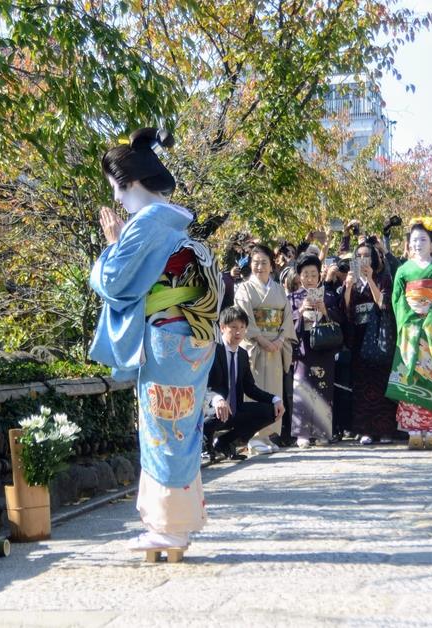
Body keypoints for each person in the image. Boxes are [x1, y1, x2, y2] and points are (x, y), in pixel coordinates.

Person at [90, 127, 221, 552]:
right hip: (192, 337)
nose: (116, 200)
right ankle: (176, 521)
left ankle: (170, 527)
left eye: (117, 189)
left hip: (167, 338)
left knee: (164, 425)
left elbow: (113, 282)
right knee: (181, 425)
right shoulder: (172, 220)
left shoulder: (145, 225)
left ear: (131, 184)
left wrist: (111, 245)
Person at [386, 217, 432, 450]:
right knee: (411, 375)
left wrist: (431, 314)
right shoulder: (404, 269)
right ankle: (414, 430)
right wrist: (410, 315)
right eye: (414, 239)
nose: (417, 243)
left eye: (423, 239)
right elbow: (396, 299)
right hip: (410, 330)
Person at [203, 307, 286, 461]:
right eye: (233, 327)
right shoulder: (212, 350)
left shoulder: (241, 354)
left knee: (271, 411)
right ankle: (205, 445)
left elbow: (250, 388)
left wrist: (275, 399)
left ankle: (225, 443)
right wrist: (217, 399)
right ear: (222, 328)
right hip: (209, 408)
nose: (238, 332)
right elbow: (202, 385)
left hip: (234, 409)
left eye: (242, 327)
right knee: (217, 408)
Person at [233, 245, 293, 454]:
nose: (259, 266)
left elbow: (286, 317)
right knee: (255, 388)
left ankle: (267, 435)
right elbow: (244, 317)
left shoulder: (278, 289)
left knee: (274, 389)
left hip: (275, 345)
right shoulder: (244, 289)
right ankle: (253, 436)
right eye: (256, 262)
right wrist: (260, 339)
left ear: (272, 265)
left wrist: (280, 338)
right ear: (250, 264)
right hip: (256, 346)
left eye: (264, 262)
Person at [344, 241, 398, 444]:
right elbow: (347, 309)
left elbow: (383, 303)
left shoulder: (383, 278)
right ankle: (365, 429)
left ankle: (384, 430)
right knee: (361, 385)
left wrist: (370, 279)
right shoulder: (353, 280)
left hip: (378, 335)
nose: (363, 260)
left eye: (367, 256)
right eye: (359, 256)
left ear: (374, 259)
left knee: (381, 382)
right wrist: (348, 287)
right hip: (359, 334)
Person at [289, 254, 345, 447]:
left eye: (313, 274)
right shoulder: (293, 297)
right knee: (302, 386)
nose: (310, 278)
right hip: (303, 347)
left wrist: (325, 311)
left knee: (323, 388)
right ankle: (302, 433)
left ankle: (322, 431)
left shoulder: (329, 295)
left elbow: (340, 318)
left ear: (319, 275)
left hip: (324, 347)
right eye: (305, 274)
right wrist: (300, 311)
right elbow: (286, 322)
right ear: (299, 276)